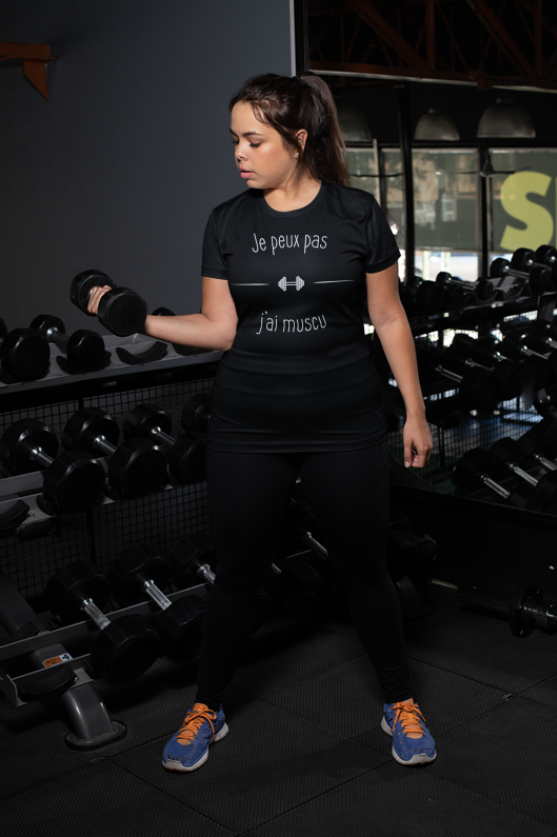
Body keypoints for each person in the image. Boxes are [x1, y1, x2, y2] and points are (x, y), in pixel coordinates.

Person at [88, 72, 436, 771]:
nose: (239, 154)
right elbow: (219, 329)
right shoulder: (227, 221)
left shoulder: (356, 213)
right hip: (248, 425)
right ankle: (206, 706)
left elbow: (389, 315)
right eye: (234, 140)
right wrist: (136, 318)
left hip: (344, 420)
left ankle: (398, 698)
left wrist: (414, 409)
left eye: (253, 139)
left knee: (364, 567)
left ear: (297, 140)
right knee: (238, 572)